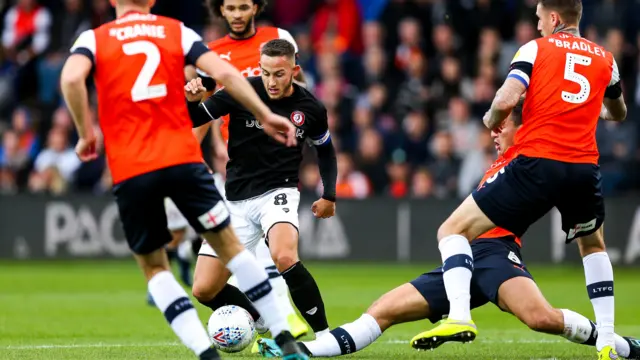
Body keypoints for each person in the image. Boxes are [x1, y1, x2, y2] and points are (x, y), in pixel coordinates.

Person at [255, 102, 640, 360]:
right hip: (459, 262)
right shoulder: (499, 163)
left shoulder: (529, 161)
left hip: (495, 255)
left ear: (524, 130)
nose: (494, 132)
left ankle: (621, 346)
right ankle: (302, 352)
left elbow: (566, 124)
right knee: (381, 310)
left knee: (541, 318)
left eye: (503, 126)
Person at [59, 1, 309, 359]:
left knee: (156, 270)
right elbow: (228, 75)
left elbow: (70, 78)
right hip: (181, 158)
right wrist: (264, 114)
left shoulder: (93, 39)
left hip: (132, 167)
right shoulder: (175, 31)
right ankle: (284, 336)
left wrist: (85, 133)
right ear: (151, 1)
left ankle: (206, 354)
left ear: (113, 1)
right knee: (233, 250)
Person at [413, 1, 628, 358]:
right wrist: (596, 109)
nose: (539, 24)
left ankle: (460, 315)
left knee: (452, 230)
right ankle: (606, 338)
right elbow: (618, 112)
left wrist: (488, 119)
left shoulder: (535, 49)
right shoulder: (606, 58)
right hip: (583, 167)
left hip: (537, 162)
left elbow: (508, 97)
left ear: (555, 18)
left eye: (541, 17)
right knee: (593, 246)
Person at [182, 0, 322, 341]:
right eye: (230, 7)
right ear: (222, 11)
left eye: (244, 6)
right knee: (225, 265)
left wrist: (300, 130)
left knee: (274, 250)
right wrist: (194, 150)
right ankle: (274, 321)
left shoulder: (278, 37)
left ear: (256, 7)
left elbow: (299, 90)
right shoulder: (212, 52)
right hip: (235, 163)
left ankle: (290, 322)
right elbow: (207, 105)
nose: (237, 14)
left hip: (276, 162)